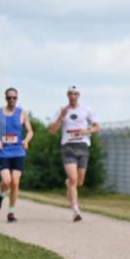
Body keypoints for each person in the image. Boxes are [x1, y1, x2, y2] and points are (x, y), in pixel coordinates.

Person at [49, 86, 99, 222]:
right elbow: (52, 131)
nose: (73, 96)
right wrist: (61, 117)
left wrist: (87, 130)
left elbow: (97, 127)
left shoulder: (87, 110)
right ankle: (76, 211)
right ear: (67, 95)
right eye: (70, 94)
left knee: (79, 182)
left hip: (83, 146)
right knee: (73, 178)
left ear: (79, 95)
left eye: (75, 94)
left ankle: (69, 184)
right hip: (68, 147)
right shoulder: (62, 110)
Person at [0, 87, 33, 222]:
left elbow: (30, 131)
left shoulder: (22, 113)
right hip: (3, 152)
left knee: (15, 182)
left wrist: (26, 140)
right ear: (5, 98)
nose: (12, 99)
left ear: (17, 98)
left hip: (18, 151)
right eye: (9, 97)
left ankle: (11, 213)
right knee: (7, 181)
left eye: (14, 97)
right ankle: (0, 195)